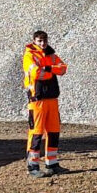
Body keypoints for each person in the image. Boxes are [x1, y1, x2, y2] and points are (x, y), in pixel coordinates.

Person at [22, 30, 67, 176]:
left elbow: (63, 69)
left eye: (44, 40)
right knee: (36, 133)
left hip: (52, 99)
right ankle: (33, 166)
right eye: (40, 41)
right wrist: (51, 72)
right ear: (34, 41)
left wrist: (47, 69)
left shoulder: (51, 55)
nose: (43, 43)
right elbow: (36, 73)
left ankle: (52, 164)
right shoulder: (29, 56)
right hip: (37, 100)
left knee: (53, 132)